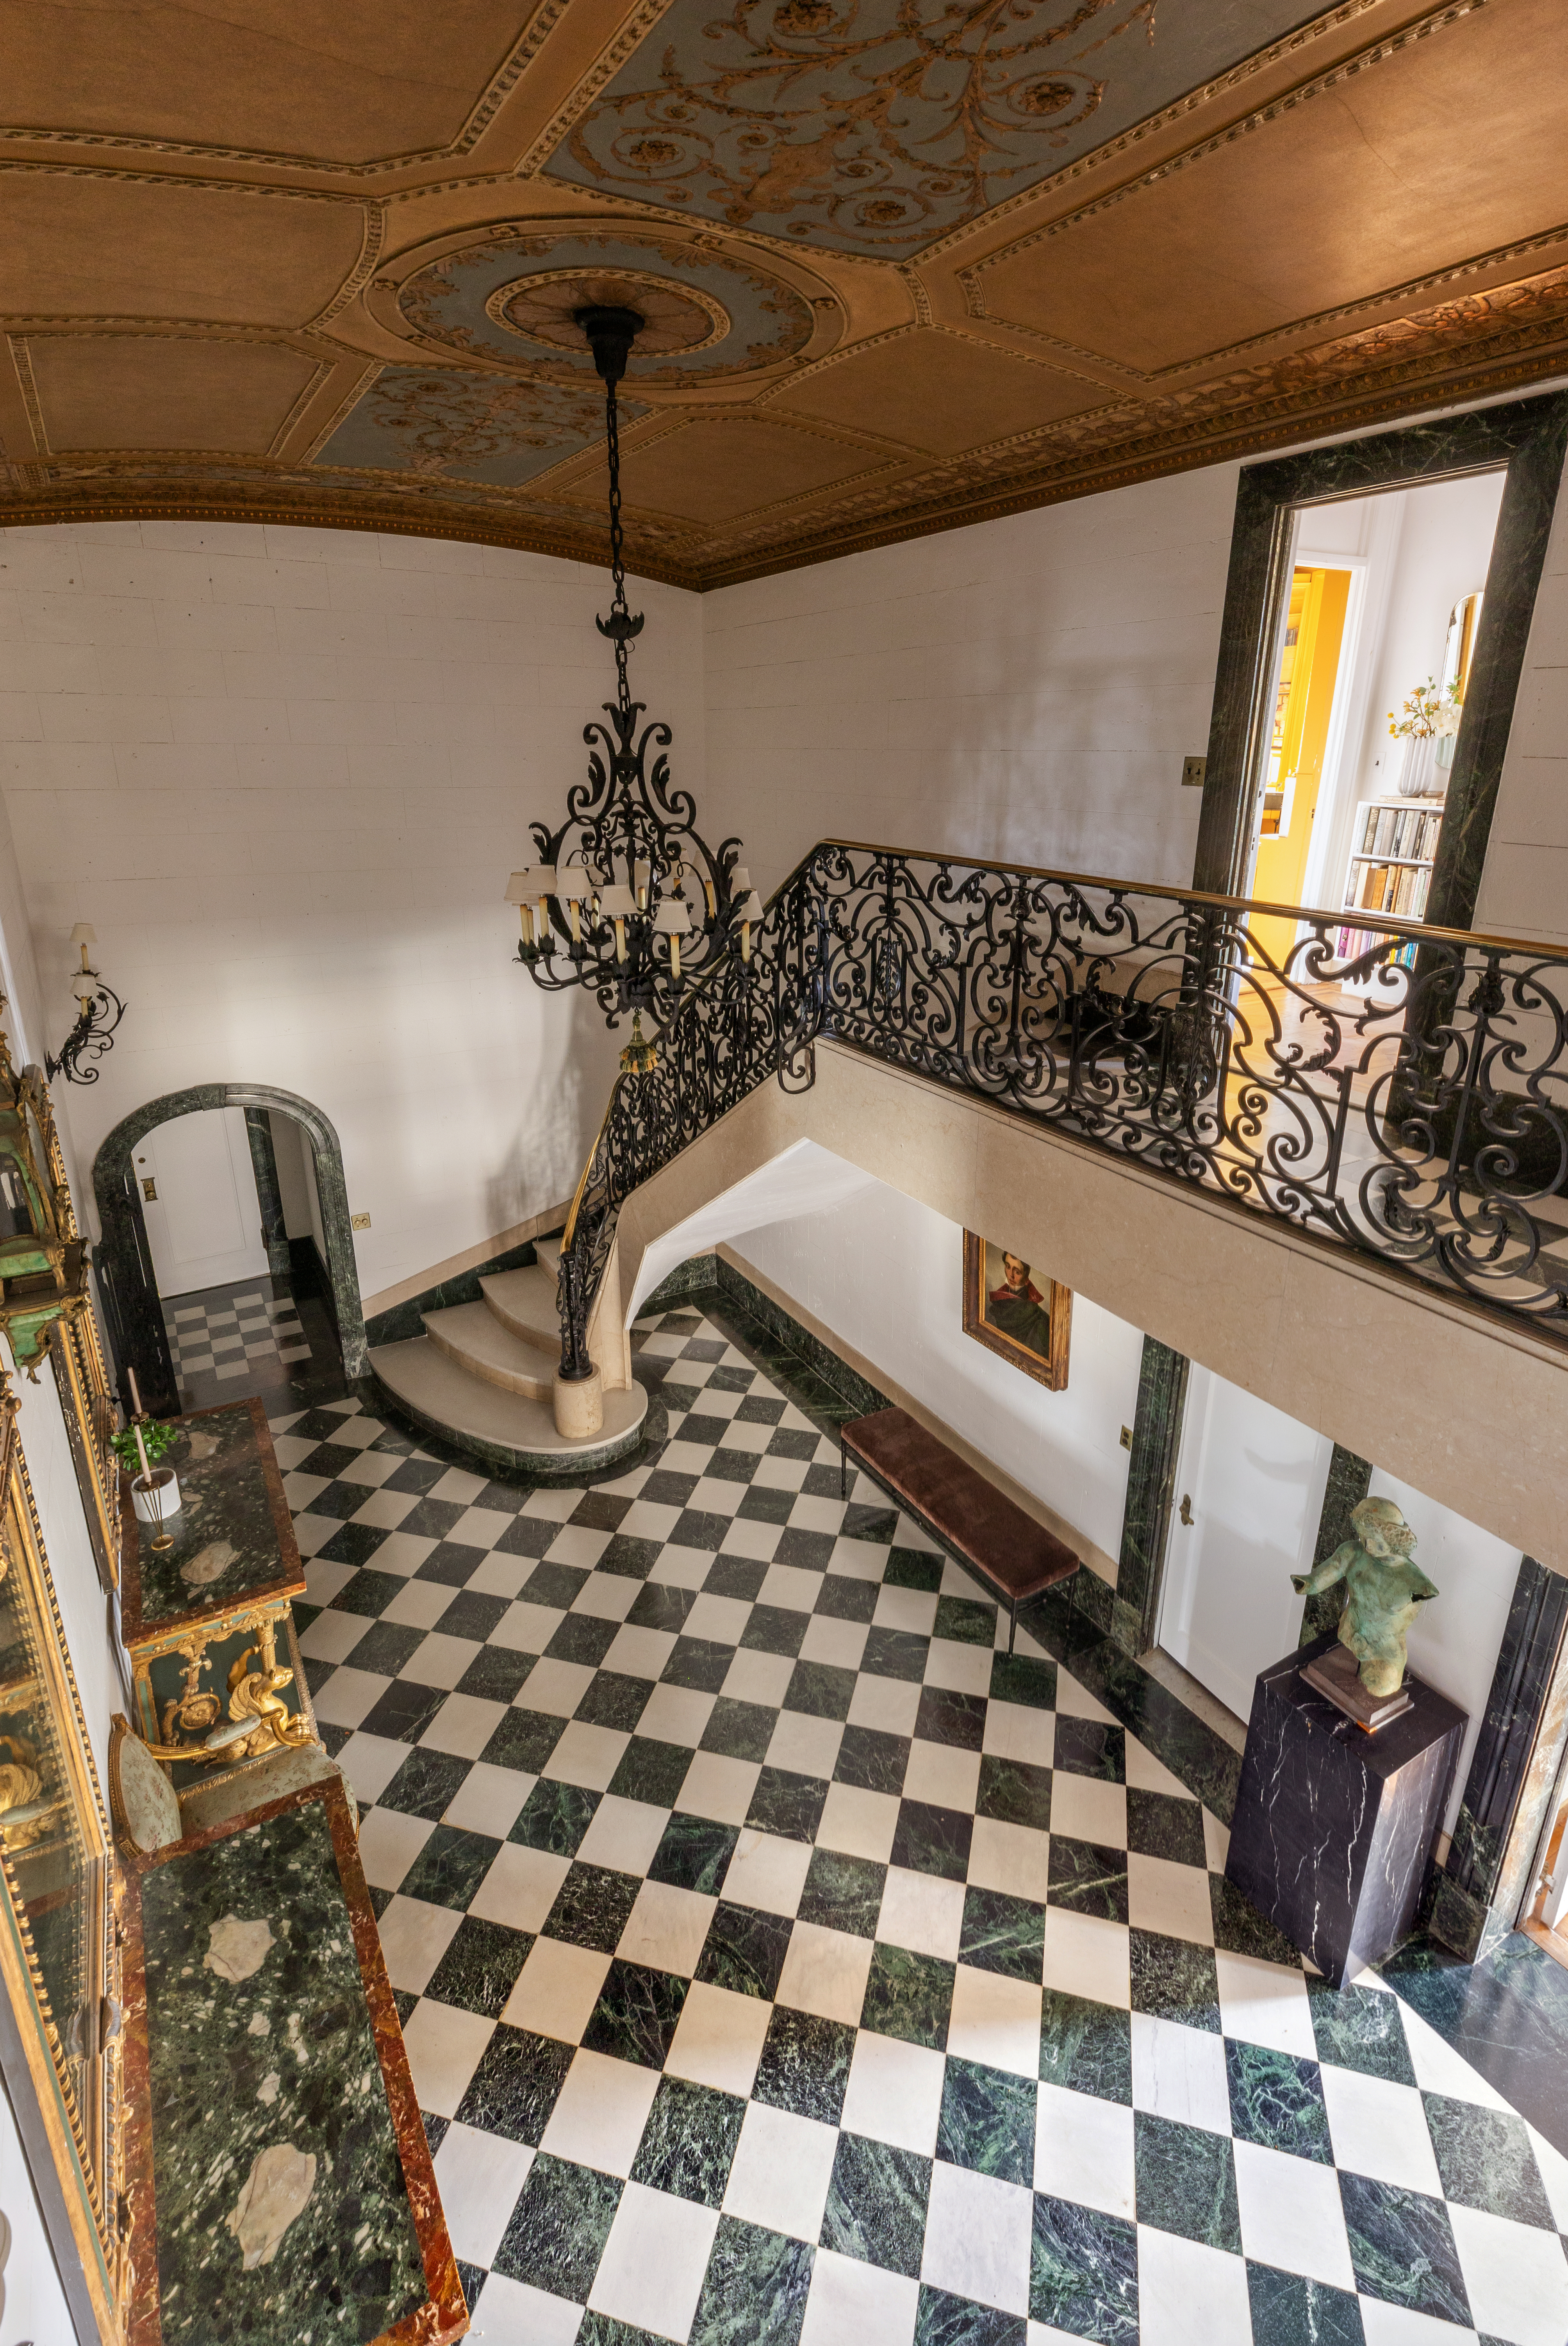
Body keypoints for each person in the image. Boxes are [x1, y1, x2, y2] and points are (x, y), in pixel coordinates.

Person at [988, 1250, 1053, 1355]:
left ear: (1026, 1277)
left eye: (1017, 1272)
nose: (1010, 1276)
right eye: (1008, 1267)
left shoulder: (1041, 1320)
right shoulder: (998, 1301)